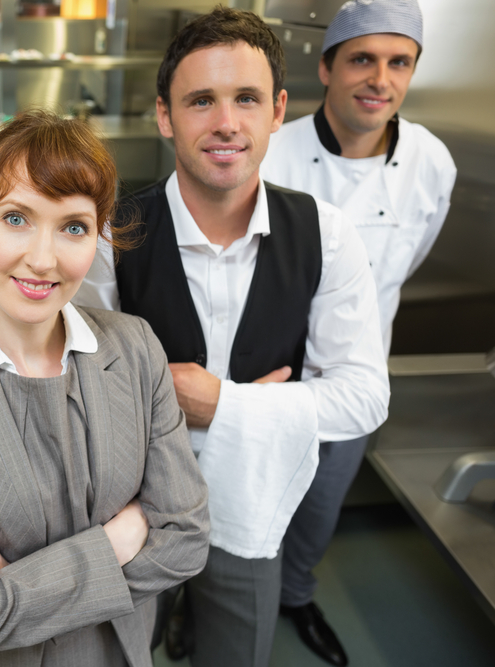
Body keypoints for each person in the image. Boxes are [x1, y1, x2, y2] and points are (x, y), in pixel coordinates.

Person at [73, 8, 390, 667]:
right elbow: (75, 376)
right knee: (120, 650)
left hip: (252, 505)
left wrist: (225, 404)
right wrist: (175, 396)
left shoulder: (325, 235)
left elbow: (364, 397)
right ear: (166, 116)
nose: (225, 123)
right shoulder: (111, 235)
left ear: (276, 110)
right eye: (200, 101)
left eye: (245, 98)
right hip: (133, 505)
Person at [0, 110, 211, 667]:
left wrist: (11, 583)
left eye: (74, 227)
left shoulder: (133, 350)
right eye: (16, 218)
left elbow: (185, 540)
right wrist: (113, 543)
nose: (42, 257)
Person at [260, 2, 456, 664]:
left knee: (319, 509)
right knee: (235, 498)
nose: (380, 78)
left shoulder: (431, 162)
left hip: (353, 378)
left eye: (398, 62)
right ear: (328, 67)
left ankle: (295, 595)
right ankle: (206, 600)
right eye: (363, 59)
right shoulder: (273, 153)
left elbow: (408, 260)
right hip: (265, 372)